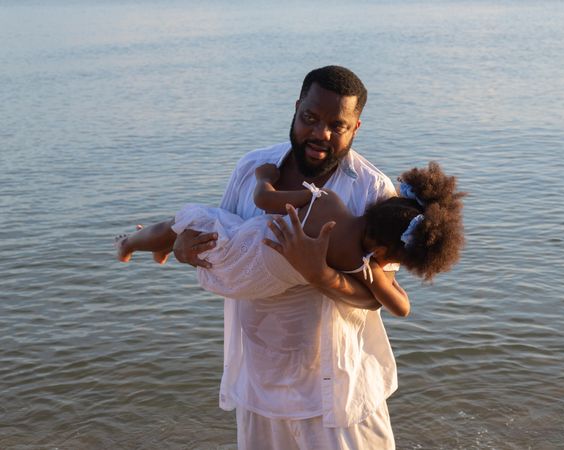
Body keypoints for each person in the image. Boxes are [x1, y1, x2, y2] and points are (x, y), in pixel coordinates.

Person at [157, 65, 451, 449]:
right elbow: (223, 239)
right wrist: (182, 248)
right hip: (260, 385)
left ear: (356, 127)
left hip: (335, 392)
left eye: (337, 125)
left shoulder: (372, 189)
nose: (320, 134)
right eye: (309, 119)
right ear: (296, 108)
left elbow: (378, 295)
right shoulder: (252, 169)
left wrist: (319, 274)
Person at [115, 162, 465, 317]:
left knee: (182, 221)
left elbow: (264, 200)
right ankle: (156, 246)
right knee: (183, 229)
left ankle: (131, 243)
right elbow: (400, 307)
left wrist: (265, 176)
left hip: (240, 246)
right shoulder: (356, 264)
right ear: (384, 251)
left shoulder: (328, 201)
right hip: (252, 281)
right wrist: (376, 271)